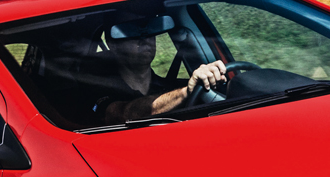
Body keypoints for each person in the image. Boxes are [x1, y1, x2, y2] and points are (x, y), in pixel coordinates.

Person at [91, 24, 228, 124]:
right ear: (112, 44)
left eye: (149, 30)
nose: (145, 39)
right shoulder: (98, 87)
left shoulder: (173, 86)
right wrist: (186, 92)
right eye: (131, 31)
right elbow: (121, 113)